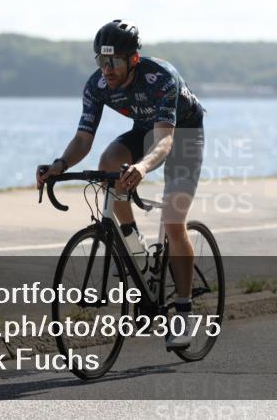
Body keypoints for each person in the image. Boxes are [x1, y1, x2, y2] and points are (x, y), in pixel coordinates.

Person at [37, 20, 205, 348]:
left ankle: (183, 312)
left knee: (173, 222)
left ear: (133, 60)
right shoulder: (97, 84)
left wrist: (142, 167)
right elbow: (84, 138)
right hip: (147, 128)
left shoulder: (161, 79)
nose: (106, 69)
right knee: (108, 164)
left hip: (182, 135)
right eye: (101, 60)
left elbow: (165, 142)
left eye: (113, 61)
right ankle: (134, 243)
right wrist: (59, 165)